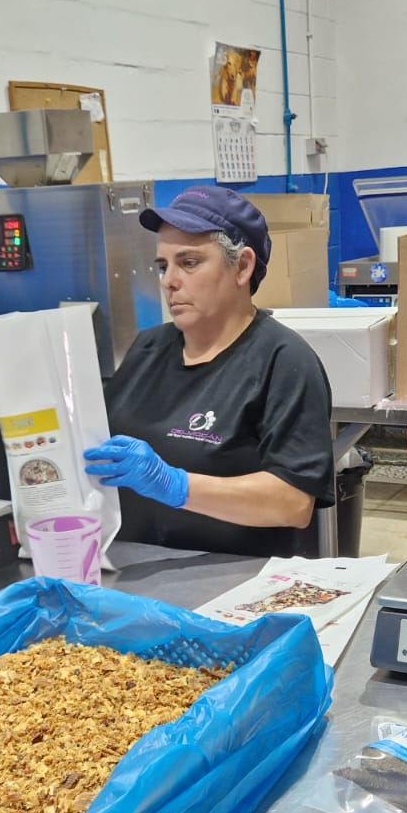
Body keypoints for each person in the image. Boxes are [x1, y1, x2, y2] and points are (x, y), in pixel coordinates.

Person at [84, 187, 335, 556]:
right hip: (135, 571)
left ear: (243, 267)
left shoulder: (283, 362)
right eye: (162, 266)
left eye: (189, 262)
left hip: (236, 581)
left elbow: (293, 502)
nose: (169, 281)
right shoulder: (147, 349)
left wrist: (174, 485)